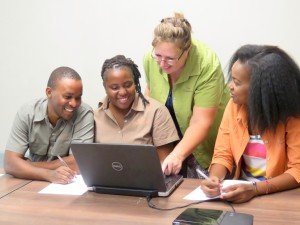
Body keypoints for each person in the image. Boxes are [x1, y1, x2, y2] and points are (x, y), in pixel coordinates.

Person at [201, 44, 300, 203]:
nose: (230, 87)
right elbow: (222, 154)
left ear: (261, 90)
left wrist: (255, 189)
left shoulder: (293, 116)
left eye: (237, 82)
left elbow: (297, 170)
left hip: (281, 198)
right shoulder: (233, 106)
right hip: (243, 194)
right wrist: (214, 179)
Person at [143, 12, 230, 177]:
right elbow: (150, 96)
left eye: (170, 59)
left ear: (187, 50)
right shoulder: (150, 57)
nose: (162, 64)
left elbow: (200, 121)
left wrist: (177, 155)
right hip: (169, 139)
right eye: (158, 56)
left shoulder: (207, 64)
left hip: (204, 141)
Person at [4, 66, 94, 184]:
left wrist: (28, 166)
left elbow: (79, 163)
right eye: (67, 97)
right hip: (32, 182)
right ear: (49, 92)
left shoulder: (84, 114)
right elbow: (10, 163)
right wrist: (49, 174)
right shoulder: (27, 113)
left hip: (67, 183)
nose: (74, 103)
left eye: (78, 97)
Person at [94, 55, 179, 164]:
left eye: (128, 85)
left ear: (135, 83)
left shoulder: (156, 112)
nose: (123, 92)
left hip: (147, 179)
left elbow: (165, 163)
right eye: (115, 88)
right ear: (105, 87)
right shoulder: (95, 116)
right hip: (104, 180)